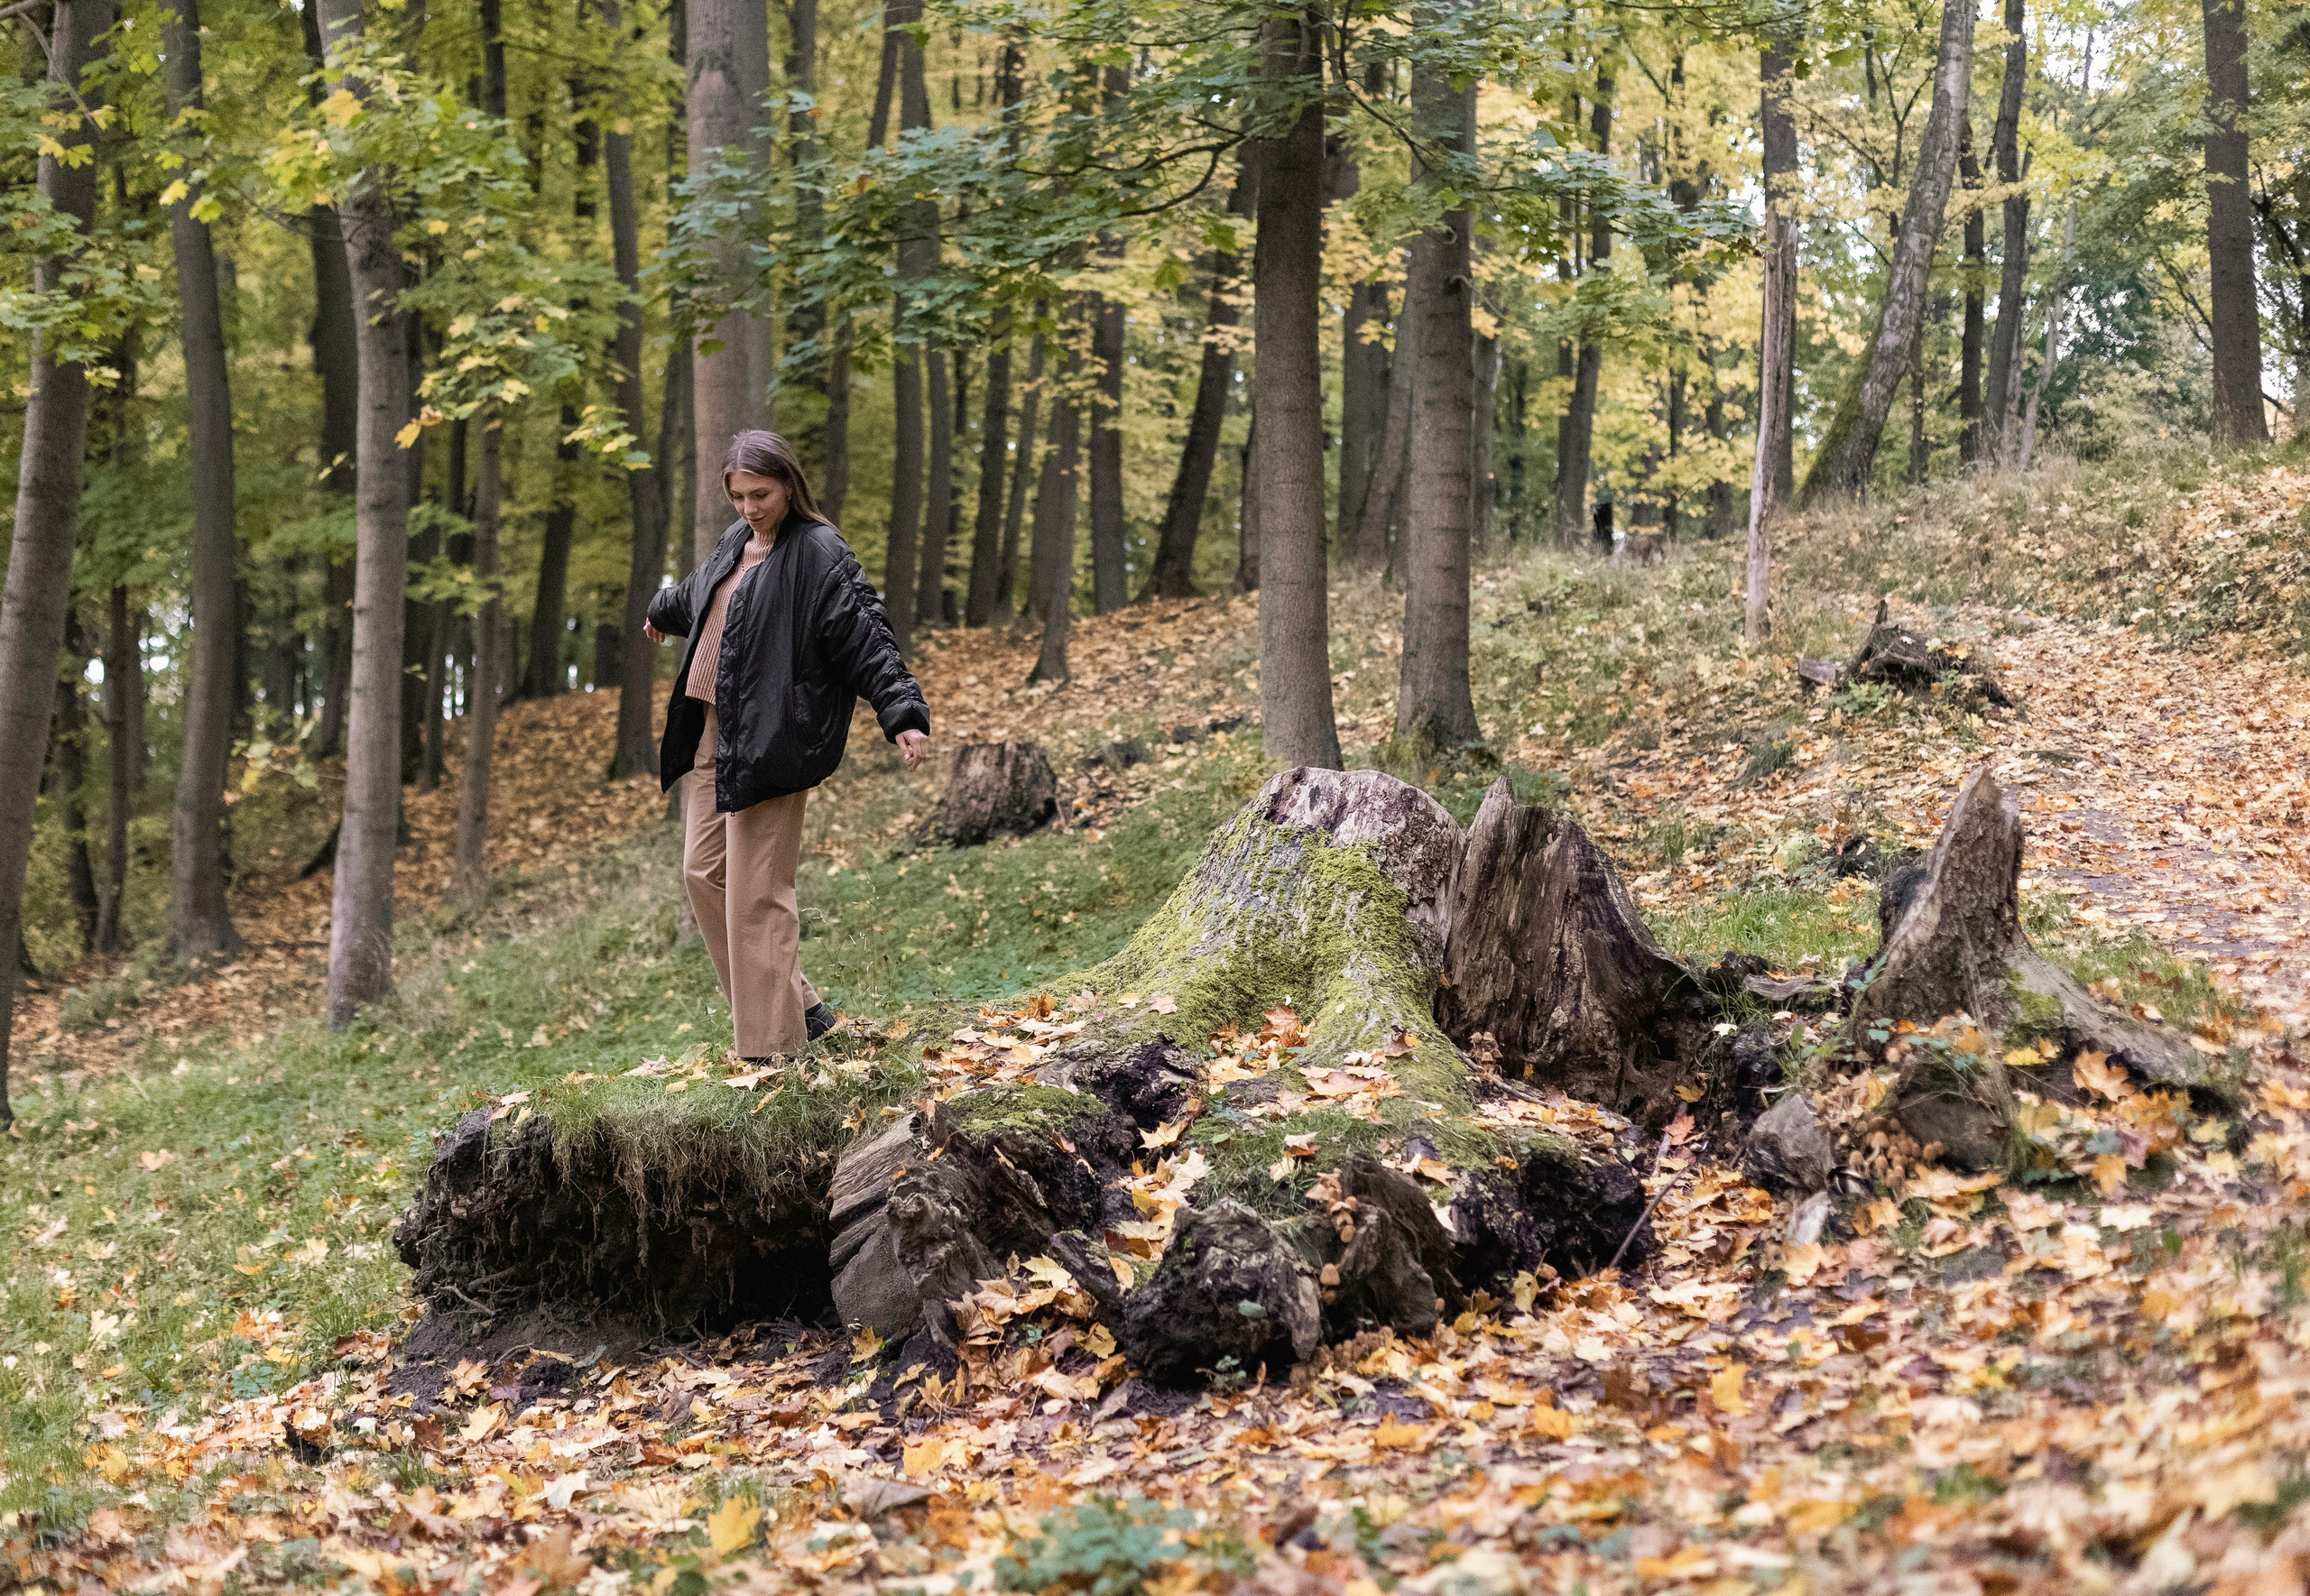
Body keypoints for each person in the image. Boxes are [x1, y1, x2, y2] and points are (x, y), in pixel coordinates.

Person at [644, 430, 929, 1061]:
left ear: (789, 486)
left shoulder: (818, 552)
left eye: (761, 495)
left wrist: (902, 712)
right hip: (711, 727)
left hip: (774, 737)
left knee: (757, 893)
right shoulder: (735, 541)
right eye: (738, 496)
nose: (749, 507)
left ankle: (773, 1053)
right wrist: (663, 610)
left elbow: (866, 633)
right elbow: (701, 592)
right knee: (703, 873)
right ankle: (799, 1008)